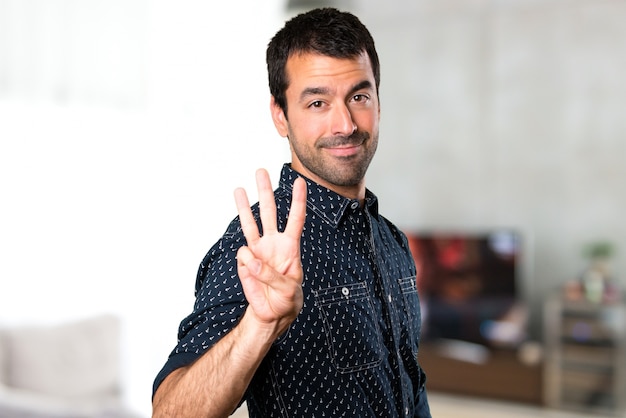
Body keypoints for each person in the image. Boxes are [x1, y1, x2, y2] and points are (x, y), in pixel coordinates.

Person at [152, 7, 431, 417]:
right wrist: (258, 326)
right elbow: (170, 412)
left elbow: (411, 387)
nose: (345, 124)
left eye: (358, 96)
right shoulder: (257, 245)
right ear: (280, 116)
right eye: (317, 102)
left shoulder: (391, 240)